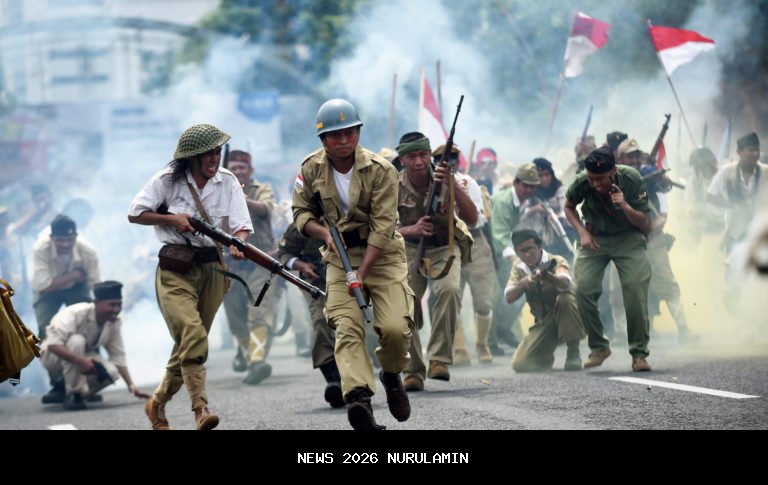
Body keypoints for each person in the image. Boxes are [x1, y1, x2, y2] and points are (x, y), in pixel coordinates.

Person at [292, 99, 413, 431]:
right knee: (346, 327)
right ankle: (359, 399)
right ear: (322, 140)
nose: (343, 140)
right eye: (334, 135)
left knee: (394, 329)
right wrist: (324, 235)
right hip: (337, 257)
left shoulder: (382, 170)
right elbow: (301, 214)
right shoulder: (309, 170)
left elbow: (384, 226)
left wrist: (361, 272)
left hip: (383, 255)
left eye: (349, 132)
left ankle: (391, 376)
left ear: (358, 132)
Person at [128, 123, 252, 431]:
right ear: (191, 158)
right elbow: (135, 213)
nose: (214, 158)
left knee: (189, 343)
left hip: (212, 267)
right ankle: (201, 409)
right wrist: (173, 219)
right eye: (207, 154)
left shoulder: (228, 181)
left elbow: (241, 225)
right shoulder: (167, 181)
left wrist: (239, 242)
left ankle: (156, 404)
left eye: (217, 152)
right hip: (175, 269)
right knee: (193, 336)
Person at [396, 136, 475, 391]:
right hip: (408, 248)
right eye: (412, 157)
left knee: (450, 291)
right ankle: (412, 370)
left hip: (445, 246)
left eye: (423, 155)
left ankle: (439, 359)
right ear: (402, 160)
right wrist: (412, 229)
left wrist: (450, 183)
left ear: (430, 155)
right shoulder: (391, 185)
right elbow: (382, 228)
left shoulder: (449, 178)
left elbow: (471, 217)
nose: (419, 162)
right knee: (404, 304)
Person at [564, 147, 653, 372]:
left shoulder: (631, 179)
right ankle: (598, 347)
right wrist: (582, 233)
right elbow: (568, 207)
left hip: (628, 236)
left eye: (600, 179)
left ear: (613, 171)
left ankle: (639, 354)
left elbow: (645, 225)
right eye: (591, 179)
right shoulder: (582, 182)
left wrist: (624, 205)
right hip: (595, 237)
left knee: (634, 289)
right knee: (582, 287)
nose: (594, 184)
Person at [39, 281, 149, 410]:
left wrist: (131, 386)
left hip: (81, 356)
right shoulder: (74, 313)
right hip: (52, 357)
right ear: (96, 303)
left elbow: (118, 356)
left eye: (119, 305)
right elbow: (53, 345)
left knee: (111, 373)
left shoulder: (114, 322)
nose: (116, 310)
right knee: (77, 340)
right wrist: (80, 361)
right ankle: (74, 394)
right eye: (112, 305)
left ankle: (64, 389)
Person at [220, 149, 278, 385]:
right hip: (229, 264)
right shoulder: (216, 192)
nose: (238, 171)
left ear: (250, 171)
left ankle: (257, 361)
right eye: (233, 168)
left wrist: (241, 200)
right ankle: (247, 356)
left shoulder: (261, 190)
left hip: (261, 261)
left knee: (258, 311)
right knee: (235, 317)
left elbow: (266, 209)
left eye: (242, 168)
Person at [277, 222, 345, 408]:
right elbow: (283, 253)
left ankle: (358, 379)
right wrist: (300, 265)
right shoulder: (299, 226)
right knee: (321, 321)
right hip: (315, 279)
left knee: (352, 324)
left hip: (348, 276)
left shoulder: (348, 215)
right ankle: (334, 380)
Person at [505, 230, 585, 371]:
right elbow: (509, 297)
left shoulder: (556, 260)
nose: (527, 254)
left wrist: (549, 278)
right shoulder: (519, 268)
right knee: (520, 364)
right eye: (522, 251)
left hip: (569, 316)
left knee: (565, 298)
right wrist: (524, 283)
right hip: (544, 322)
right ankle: (544, 356)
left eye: (530, 249)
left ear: (540, 246)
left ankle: (573, 352)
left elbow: (565, 282)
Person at [489, 163, 540, 350]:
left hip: (501, 253)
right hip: (488, 251)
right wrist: (516, 260)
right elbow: (499, 235)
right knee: (493, 296)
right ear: (516, 183)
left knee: (516, 290)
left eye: (533, 186)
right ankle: (490, 342)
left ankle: (501, 329)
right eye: (526, 185)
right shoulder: (503, 201)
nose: (529, 190)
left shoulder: (522, 201)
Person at [32, 214, 100, 342]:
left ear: (76, 237)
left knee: (88, 325)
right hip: (48, 293)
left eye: (69, 239)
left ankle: (94, 359)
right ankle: (51, 359)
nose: (65, 244)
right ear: (51, 238)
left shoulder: (88, 251)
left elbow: (95, 284)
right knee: (45, 329)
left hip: (77, 288)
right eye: (60, 240)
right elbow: (42, 286)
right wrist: (73, 276)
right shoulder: (40, 248)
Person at [707, 132, 767, 254]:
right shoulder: (727, 171)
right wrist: (732, 206)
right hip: (734, 232)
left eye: (757, 150)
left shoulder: (766, 172)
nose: (755, 154)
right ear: (739, 152)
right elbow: (710, 196)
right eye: (751, 150)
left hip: (761, 234)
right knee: (732, 269)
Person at [520, 158, 575, 262]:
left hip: (562, 233)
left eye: (547, 174)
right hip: (539, 237)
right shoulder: (529, 193)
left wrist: (557, 216)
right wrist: (534, 209)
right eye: (540, 176)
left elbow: (566, 208)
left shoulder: (559, 188)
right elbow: (520, 215)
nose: (544, 179)